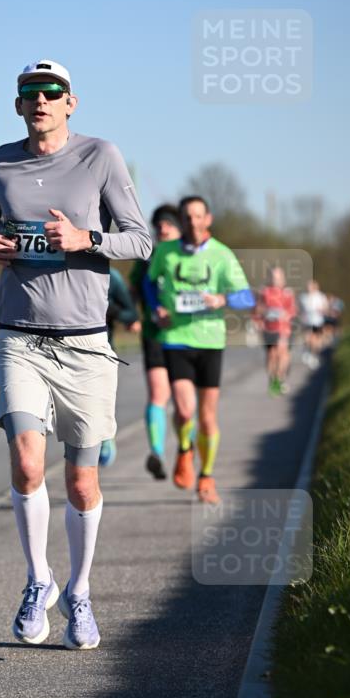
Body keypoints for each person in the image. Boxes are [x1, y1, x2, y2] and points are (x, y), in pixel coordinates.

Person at [0, 59, 151, 650]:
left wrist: (86, 239)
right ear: (19, 104)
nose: (41, 101)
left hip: (85, 343)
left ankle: (79, 591)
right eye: (31, 93)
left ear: (71, 102)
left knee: (80, 482)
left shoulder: (100, 155)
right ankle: (37, 579)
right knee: (26, 464)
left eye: (52, 92)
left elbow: (140, 238)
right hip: (19, 334)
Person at [145, 196, 254, 505]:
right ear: (182, 220)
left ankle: (206, 476)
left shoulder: (222, 255)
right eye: (187, 217)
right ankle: (183, 450)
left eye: (197, 216)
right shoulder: (165, 251)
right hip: (176, 338)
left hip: (210, 341)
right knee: (183, 410)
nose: (192, 222)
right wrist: (156, 310)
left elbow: (247, 297)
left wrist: (223, 300)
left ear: (208, 219)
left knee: (207, 417)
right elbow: (150, 284)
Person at [129, 204, 181, 479]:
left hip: (187, 337)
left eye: (169, 223)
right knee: (159, 395)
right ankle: (157, 453)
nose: (163, 227)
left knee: (185, 403)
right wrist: (129, 314)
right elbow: (132, 291)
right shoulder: (146, 257)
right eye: (159, 223)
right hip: (154, 335)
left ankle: (185, 450)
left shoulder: (189, 256)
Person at [98, 267, 141, 468]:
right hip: (57, 349)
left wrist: (107, 309)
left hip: (100, 349)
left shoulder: (111, 276)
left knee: (98, 403)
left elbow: (130, 313)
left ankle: (104, 437)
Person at [253, 265, 297, 395]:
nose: (276, 279)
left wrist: (286, 314)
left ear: (283, 277)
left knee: (283, 353)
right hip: (268, 327)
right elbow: (256, 310)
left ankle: (280, 378)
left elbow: (293, 310)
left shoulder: (288, 292)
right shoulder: (264, 292)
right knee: (272, 354)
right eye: (273, 276)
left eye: (278, 277)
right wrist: (259, 319)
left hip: (284, 327)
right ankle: (272, 380)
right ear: (269, 277)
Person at [298, 279, 328, 368]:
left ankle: (313, 355)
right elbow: (299, 309)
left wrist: (322, 309)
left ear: (315, 287)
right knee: (308, 339)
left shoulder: (320, 296)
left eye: (310, 286)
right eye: (308, 286)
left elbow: (326, 307)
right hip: (307, 321)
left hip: (318, 321)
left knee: (317, 342)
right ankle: (307, 351)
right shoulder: (303, 297)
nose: (309, 288)